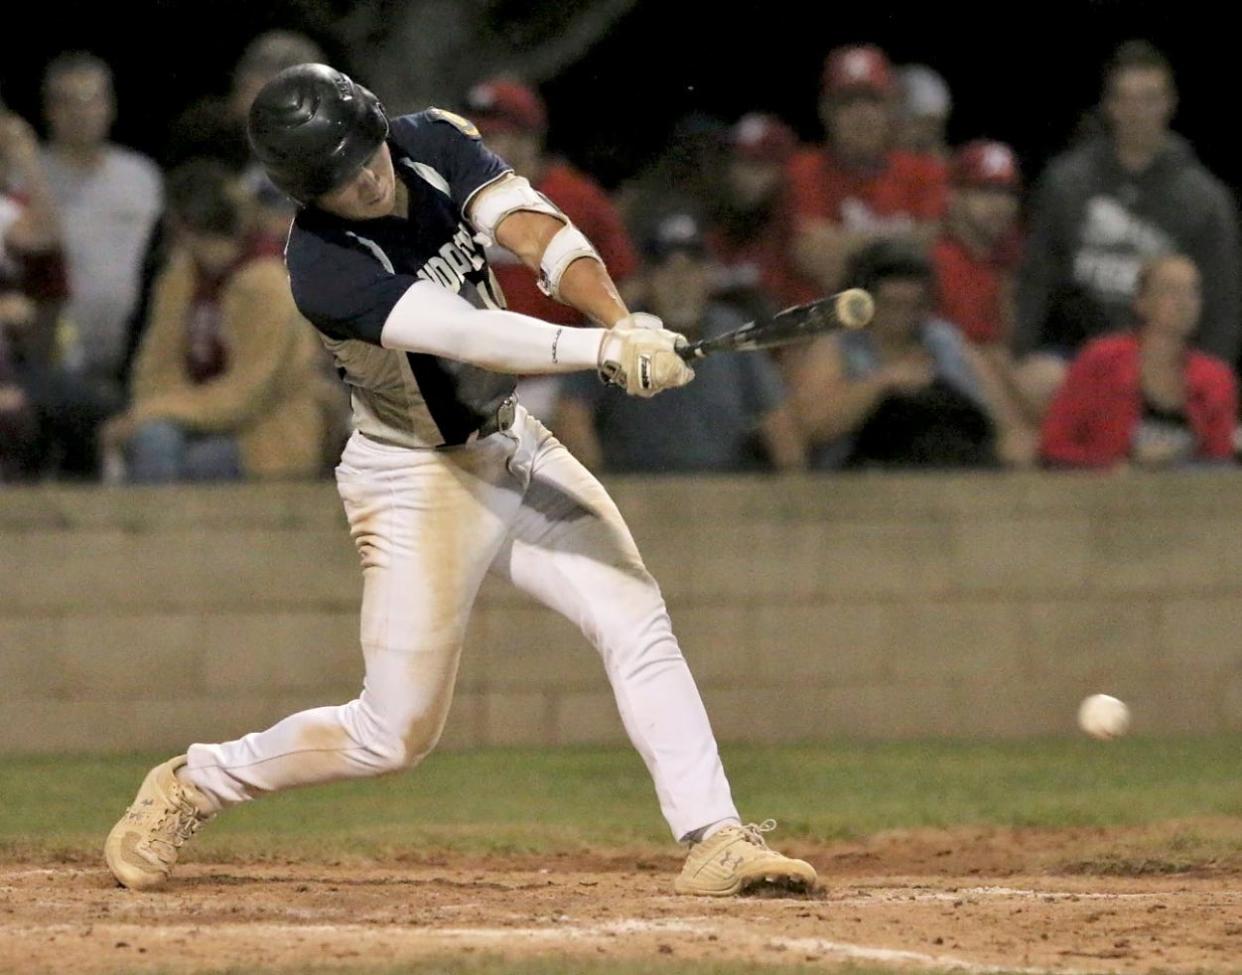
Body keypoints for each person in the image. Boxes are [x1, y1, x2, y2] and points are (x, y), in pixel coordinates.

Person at [103, 64, 816, 899]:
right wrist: (601, 352)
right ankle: (195, 781)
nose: (364, 174)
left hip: (509, 441)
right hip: (413, 477)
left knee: (634, 613)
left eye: (363, 151)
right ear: (305, 189)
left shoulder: (431, 140)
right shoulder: (323, 265)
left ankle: (715, 835)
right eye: (337, 173)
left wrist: (621, 320)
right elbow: (466, 334)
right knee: (392, 733)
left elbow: (535, 231)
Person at [1016, 40, 1241, 382]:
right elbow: (1035, 280)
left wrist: (1208, 382)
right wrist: (1021, 353)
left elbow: (1223, 304)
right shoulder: (1065, 182)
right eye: (1126, 99)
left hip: (1163, 361)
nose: (1138, 112)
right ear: (1110, 106)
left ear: (1170, 104)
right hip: (1075, 355)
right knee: (1034, 381)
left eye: (1150, 99)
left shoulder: (1207, 200)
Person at [100, 161, 327, 483]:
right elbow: (154, 367)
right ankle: (147, 530)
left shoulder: (269, 285)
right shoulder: (180, 278)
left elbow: (248, 394)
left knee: (189, 461)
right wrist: (152, 415)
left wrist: (155, 412)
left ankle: (164, 529)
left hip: (261, 434)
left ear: (181, 227)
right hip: (191, 417)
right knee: (153, 439)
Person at [555, 213, 805, 473]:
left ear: (709, 275)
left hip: (724, 495)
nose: (679, 282)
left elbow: (778, 422)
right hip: (637, 494)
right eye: (666, 269)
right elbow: (572, 416)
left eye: (690, 269)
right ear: (646, 279)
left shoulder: (733, 331)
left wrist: (791, 496)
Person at [462, 78, 639, 420]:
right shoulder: (450, 198)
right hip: (468, 375)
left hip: (553, 380)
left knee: (571, 412)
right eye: (475, 134)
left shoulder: (577, 199)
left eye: (495, 134)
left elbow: (625, 286)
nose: (481, 144)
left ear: (530, 138)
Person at [40, 53, 163, 461]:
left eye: (91, 100)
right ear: (49, 110)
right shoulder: (31, 178)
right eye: (68, 102)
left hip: (132, 355)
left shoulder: (141, 178)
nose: (81, 113)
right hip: (54, 354)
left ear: (109, 107)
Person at [788, 238, 994, 469]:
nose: (902, 318)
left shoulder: (944, 341)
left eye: (913, 306)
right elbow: (811, 427)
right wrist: (881, 384)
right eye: (891, 305)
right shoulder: (838, 345)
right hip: (857, 470)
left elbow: (994, 417)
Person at [1040, 255, 1235, 469]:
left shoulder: (1217, 377)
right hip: (1107, 493)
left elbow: (1220, 464)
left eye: (1192, 292)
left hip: (1186, 495)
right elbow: (1054, 447)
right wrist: (1117, 467)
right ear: (1141, 302)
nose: (1184, 302)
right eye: (1170, 290)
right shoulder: (1101, 359)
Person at [788, 44, 947, 296]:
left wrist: (842, 243)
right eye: (848, 102)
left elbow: (928, 259)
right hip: (825, 322)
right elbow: (816, 261)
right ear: (826, 111)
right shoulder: (804, 169)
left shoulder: (925, 172)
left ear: (892, 109)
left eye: (873, 100)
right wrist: (902, 239)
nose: (862, 115)